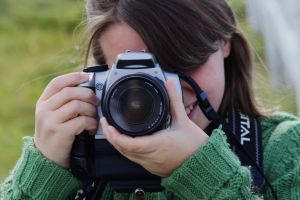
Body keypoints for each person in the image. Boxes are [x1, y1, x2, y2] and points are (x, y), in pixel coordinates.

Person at [1, 0, 300, 199]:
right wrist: (41, 174)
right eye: (138, 73)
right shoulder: (78, 155)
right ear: (103, 72)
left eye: (183, 63)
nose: (167, 92)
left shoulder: (283, 152)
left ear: (223, 43)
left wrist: (202, 171)